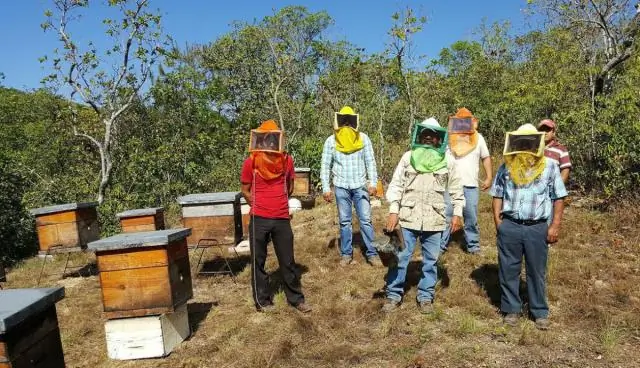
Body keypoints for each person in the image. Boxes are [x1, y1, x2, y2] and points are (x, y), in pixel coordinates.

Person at [490, 123, 567, 330]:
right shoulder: (506, 166)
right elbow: (497, 193)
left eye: (529, 141)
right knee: (508, 269)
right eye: (521, 141)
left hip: (537, 227)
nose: (524, 145)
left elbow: (559, 197)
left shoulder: (550, 165)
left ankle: (539, 312)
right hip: (510, 225)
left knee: (536, 271)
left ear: (537, 143)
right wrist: (499, 223)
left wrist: (555, 226)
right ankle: (511, 310)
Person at [382, 118, 464, 314]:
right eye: (425, 134)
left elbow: (456, 190)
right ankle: (393, 294)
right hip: (407, 217)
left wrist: (458, 214)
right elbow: (396, 186)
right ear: (419, 136)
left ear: (438, 139)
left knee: (431, 260)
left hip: (434, 219)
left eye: (432, 135)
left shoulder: (448, 160)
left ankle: (425, 296)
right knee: (400, 257)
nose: (428, 138)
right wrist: (394, 211)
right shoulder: (407, 157)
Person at [240, 119, 311, 313]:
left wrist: (278, 203)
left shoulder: (287, 160)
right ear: (260, 139)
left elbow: (290, 186)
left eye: (273, 138)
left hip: (281, 217)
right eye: (266, 138)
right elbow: (245, 189)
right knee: (258, 261)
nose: (269, 142)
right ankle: (262, 301)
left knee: (288, 260)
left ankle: (296, 299)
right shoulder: (251, 162)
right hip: (259, 218)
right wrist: (258, 205)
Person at [321, 106, 380, 266]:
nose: (346, 124)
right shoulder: (331, 141)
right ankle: (347, 254)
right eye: (343, 120)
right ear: (338, 122)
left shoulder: (363, 138)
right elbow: (325, 165)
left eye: (349, 120)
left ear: (354, 122)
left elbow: (370, 162)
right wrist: (326, 188)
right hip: (341, 186)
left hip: (360, 185)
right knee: (345, 222)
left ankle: (372, 254)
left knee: (366, 220)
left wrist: (373, 183)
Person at [440, 108, 492, 254]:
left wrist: (489, 177)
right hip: (450, 184)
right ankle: (440, 246)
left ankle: (473, 246)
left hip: (470, 185)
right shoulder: (448, 137)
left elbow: (486, 157)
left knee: (471, 217)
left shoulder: (479, 138)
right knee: (446, 214)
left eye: (465, 121)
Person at [537, 119, 572, 184]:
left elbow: (565, 170)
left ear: (553, 132)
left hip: (551, 190)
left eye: (548, 130)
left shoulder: (561, 149)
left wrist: (558, 188)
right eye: (542, 130)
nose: (545, 132)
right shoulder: (534, 148)